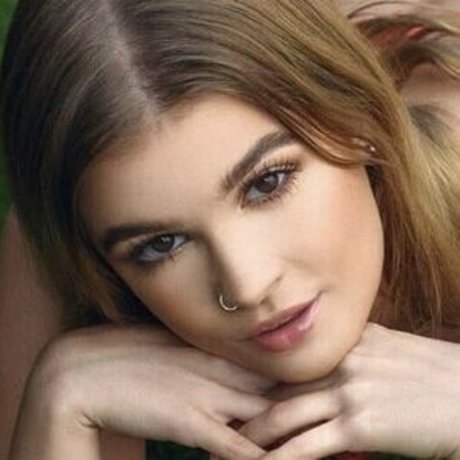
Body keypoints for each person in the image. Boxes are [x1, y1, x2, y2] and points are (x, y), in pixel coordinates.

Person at [1, 0, 460, 459]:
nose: (247, 286)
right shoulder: (75, 246)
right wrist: (59, 400)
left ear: (363, 117)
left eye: (267, 183)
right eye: (162, 245)